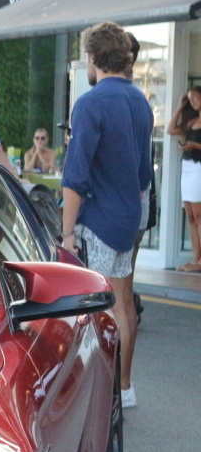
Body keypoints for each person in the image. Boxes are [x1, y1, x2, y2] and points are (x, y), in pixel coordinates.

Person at [60, 22, 153, 409]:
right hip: (129, 215)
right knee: (124, 304)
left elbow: (75, 175)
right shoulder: (141, 101)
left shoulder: (91, 102)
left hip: (98, 220)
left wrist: (66, 234)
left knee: (100, 309)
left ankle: (102, 392)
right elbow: (144, 173)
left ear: (94, 58)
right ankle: (124, 388)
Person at [167, 85, 201, 271]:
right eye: (190, 98)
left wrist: (195, 145)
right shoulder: (191, 121)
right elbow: (170, 129)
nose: (193, 101)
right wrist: (180, 106)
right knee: (190, 216)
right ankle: (196, 259)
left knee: (199, 215)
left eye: (195, 97)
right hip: (188, 168)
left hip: (199, 169)